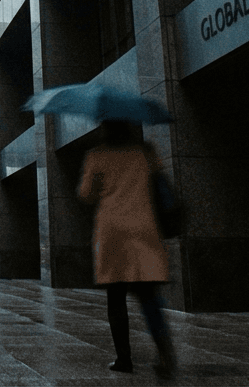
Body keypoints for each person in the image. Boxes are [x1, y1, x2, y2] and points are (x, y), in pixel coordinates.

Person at [78, 120, 176, 379]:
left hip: (113, 233)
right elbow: (161, 185)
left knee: (116, 297)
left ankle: (124, 359)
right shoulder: (145, 151)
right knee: (148, 296)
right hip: (144, 228)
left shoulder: (97, 155)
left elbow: (86, 194)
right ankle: (165, 352)